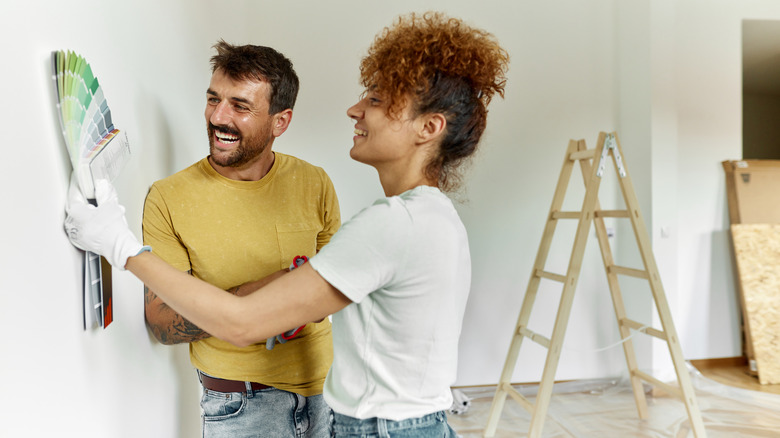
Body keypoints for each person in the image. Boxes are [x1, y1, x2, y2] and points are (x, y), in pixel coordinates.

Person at [65, 11, 508, 437]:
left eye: (376, 100)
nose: (355, 110)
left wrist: (117, 243)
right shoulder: (432, 215)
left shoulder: (389, 223)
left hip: (378, 427)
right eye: (214, 99)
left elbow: (241, 323)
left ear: (429, 127)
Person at [140, 41, 340, 437]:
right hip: (239, 407)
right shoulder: (168, 197)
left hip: (330, 392)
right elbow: (161, 323)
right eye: (213, 99)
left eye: (240, 106)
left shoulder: (314, 182)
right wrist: (275, 289)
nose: (218, 116)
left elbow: (336, 285)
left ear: (280, 122)